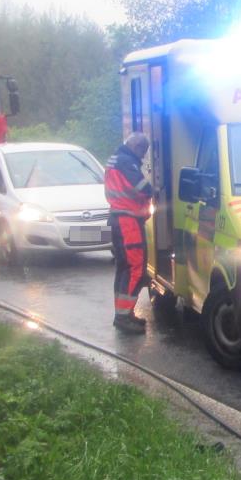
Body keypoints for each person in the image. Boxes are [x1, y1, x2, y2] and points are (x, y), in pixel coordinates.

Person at [105, 131, 154, 334]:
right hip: (128, 222)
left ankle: (123, 313)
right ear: (137, 147)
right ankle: (123, 317)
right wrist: (155, 189)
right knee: (135, 268)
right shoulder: (127, 162)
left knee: (123, 269)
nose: (143, 156)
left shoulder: (117, 158)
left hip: (120, 219)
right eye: (143, 152)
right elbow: (143, 188)